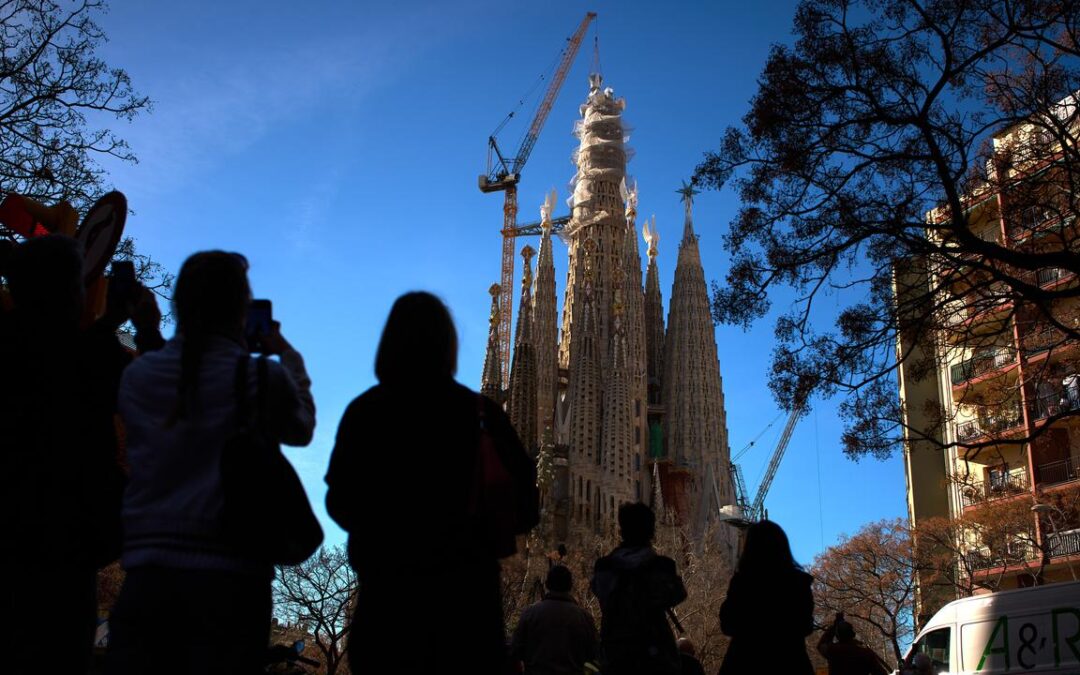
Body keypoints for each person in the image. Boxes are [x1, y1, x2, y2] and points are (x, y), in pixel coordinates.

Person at [105, 251, 315, 675]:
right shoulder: (259, 378)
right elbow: (302, 427)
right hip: (233, 583)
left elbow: (181, 380)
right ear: (242, 310)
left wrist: (148, 330)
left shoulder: (138, 376)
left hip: (148, 577)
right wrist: (286, 353)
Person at [325, 291, 538, 674]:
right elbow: (526, 509)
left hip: (388, 600)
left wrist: (386, 528)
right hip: (466, 605)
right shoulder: (481, 414)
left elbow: (339, 502)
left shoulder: (367, 411)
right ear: (448, 346)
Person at [0, 235, 162, 675]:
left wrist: (107, 324)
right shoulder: (92, 356)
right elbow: (166, 399)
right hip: (65, 546)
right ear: (71, 290)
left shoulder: (18, 344)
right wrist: (147, 330)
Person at [590, 502, 687, 675]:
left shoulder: (604, 567)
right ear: (651, 532)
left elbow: (598, 591)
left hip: (614, 653)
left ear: (622, 530)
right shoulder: (661, 567)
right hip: (653, 654)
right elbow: (678, 594)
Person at [718, 520, 814, 675]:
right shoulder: (799, 582)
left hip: (743, 661)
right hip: (791, 661)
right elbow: (806, 626)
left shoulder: (743, 582)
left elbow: (727, 624)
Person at [510, 565, 597, 675]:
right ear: (570, 585)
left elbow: (515, 651)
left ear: (547, 584)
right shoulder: (584, 617)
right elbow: (593, 653)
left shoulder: (530, 614)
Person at [817, 612, 888, 675]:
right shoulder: (865, 653)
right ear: (853, 634)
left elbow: (821, 645)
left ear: (837, 636)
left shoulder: (833, 650)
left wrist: (834, 626)